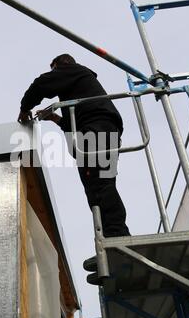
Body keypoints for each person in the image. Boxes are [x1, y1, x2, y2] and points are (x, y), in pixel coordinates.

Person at [18, 54, 130, 238]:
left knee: (99, 186)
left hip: (97, 130)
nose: (55, 73)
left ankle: (118, 238)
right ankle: (113, 236)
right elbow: (77, 124)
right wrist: (55, 118)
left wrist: (24, 108)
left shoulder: (72, 70)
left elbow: (40, 84)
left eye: (54, 69)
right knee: (101, 186)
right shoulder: (83, 86)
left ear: (61, 65)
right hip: (102, 129)